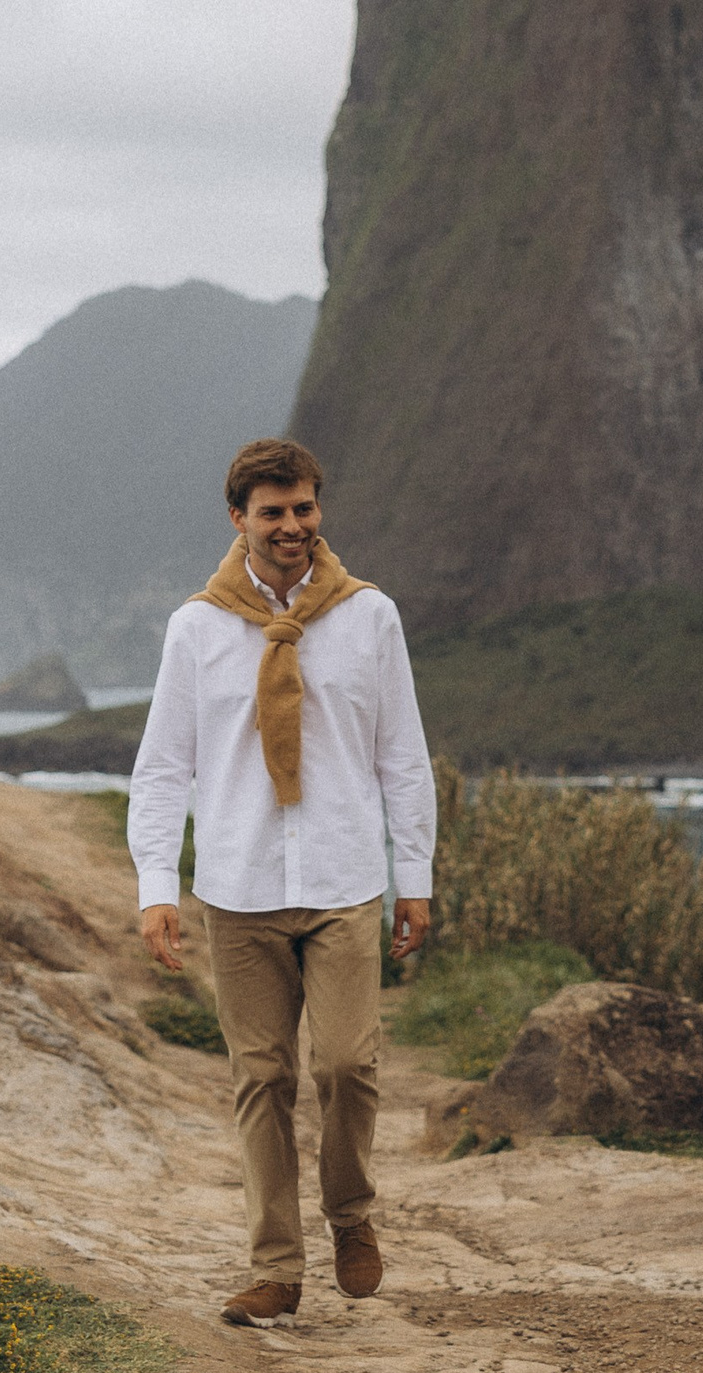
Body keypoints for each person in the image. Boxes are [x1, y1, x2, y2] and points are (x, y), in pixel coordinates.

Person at [129, 437, 436, 1327]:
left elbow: (403, 758)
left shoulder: (370, 616)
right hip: (238, 885)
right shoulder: (196, 627)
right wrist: (158, 883)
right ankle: (275, 1267)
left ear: (317, 510)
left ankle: (352, 1218)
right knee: (261, 1078)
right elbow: (162, 769)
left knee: (346, 1064)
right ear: (239, 520)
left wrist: (411, 875)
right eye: (273, 512)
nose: (293, 526)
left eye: (304, 508)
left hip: (343, 879)